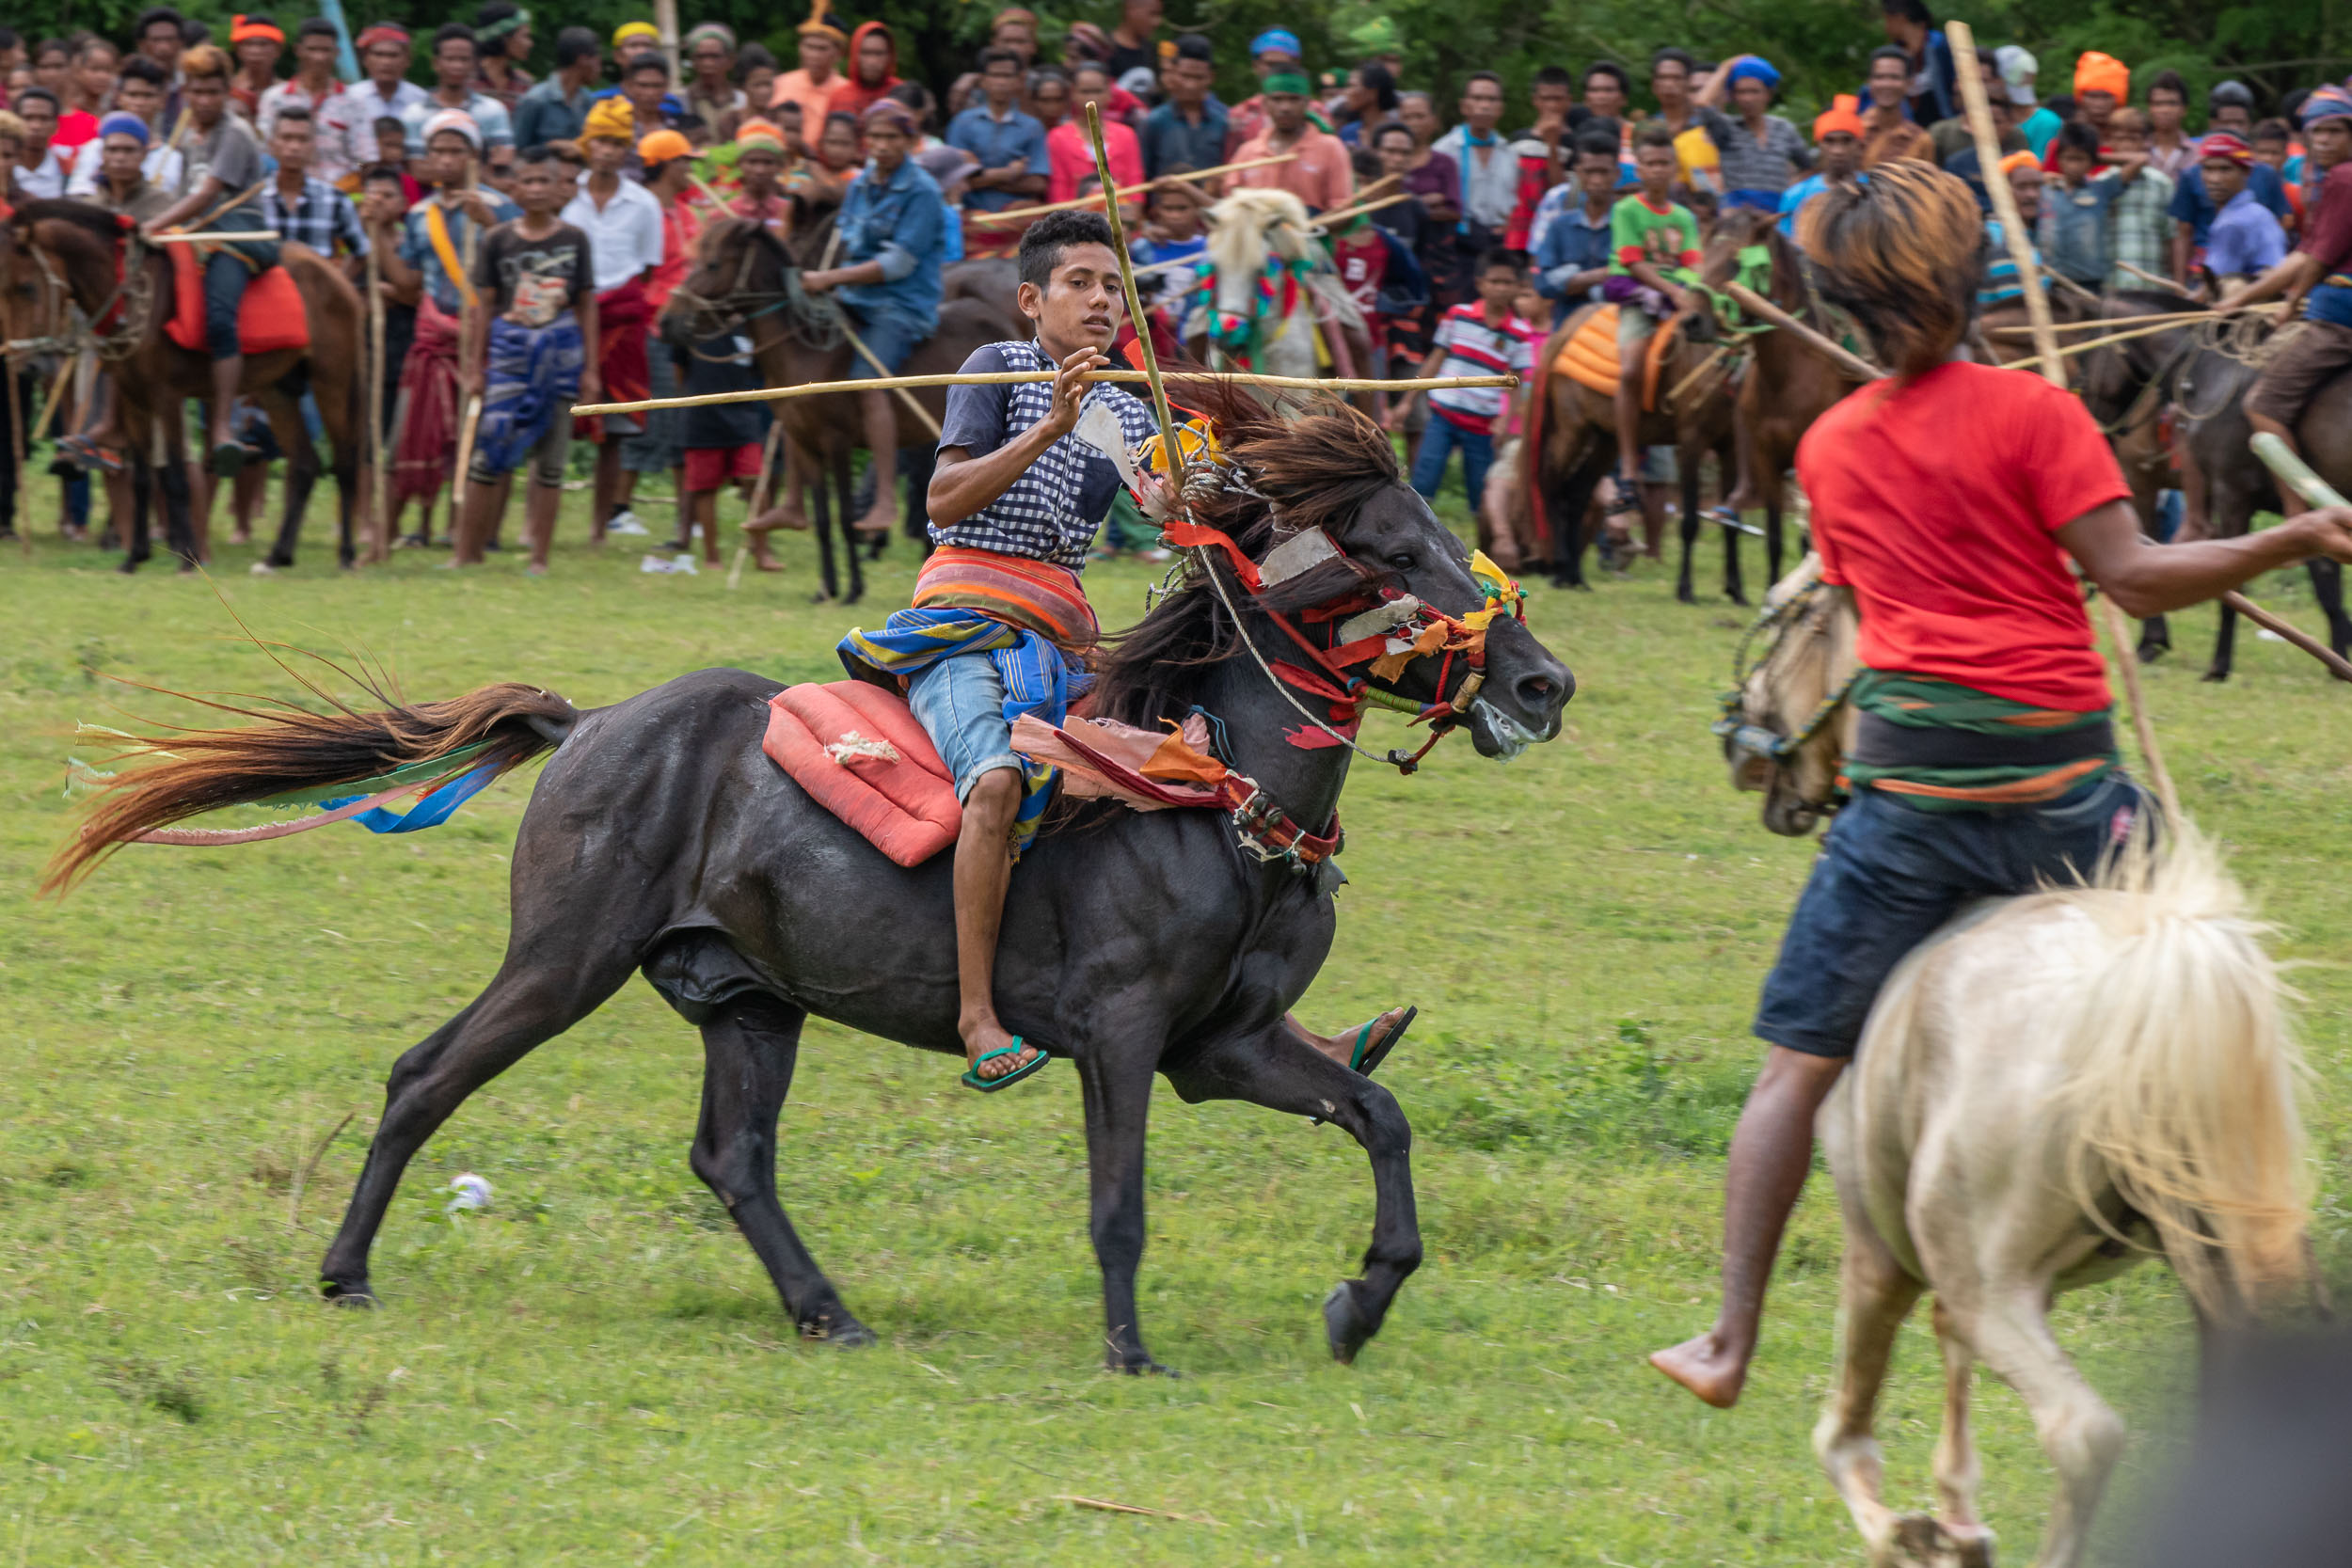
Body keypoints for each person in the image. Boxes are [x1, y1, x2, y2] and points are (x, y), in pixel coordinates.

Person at [1648, 160, 2352, 1411]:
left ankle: (1728, 1337)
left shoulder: (1830, 446)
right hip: (2068, 793)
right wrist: (2292, 537)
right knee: (2205, 979)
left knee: (1793, 1067)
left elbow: (1880, 601)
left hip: (1910, 808)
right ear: (1975, 278)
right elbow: (2134, 576)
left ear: (1841, 302)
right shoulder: (2041, 418)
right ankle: (2265, 1289)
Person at [890, 209, 1412, 1089]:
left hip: (1067, 639)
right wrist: (1050, 427)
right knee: (995, 785)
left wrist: (1183, 488)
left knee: (1196, 783)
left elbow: (1168, 509)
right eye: (1080, 284)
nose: (1101, 303)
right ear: (1032, 298)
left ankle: (1269, 1026)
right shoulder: (996, 367)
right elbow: (942, 501)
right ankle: (978, 1017)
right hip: (963, 622)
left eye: (1113, 288)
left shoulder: (1122, 405)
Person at [800, 99, 947, 538]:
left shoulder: (923, 191)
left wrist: (830, 276)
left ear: (908, 141)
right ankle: (791, 501)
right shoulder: (862, 181)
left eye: (891, 138)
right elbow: (845, 235)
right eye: (876, 138)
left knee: (869, 382)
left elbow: (899, 263)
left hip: (900, 303)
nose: (881, 146)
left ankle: (885, 497)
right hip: (853, 295)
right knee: (799, 364)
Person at [138, 44, 279, 480]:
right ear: (185, 93)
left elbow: (206, 194)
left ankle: (223, 425)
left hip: (237, 235)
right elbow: (184, 195)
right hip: (198, 235)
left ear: (228, 91)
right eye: (197, 92)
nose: (205, 101)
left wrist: (155, 225)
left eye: (214, 91)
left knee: (220, 318)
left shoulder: (235, 132)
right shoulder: (189, 136)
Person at [452, 143, 596, 571]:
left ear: (558, 189)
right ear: (514, 189)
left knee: (550, 461)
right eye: (527, 181)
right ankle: (466, 553)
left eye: (543, 182)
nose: (535, 189)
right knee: (486, 456)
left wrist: (590, 369)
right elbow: (485, 305)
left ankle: (539, 557)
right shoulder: (499, 239)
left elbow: (587, 304)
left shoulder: (575, 239)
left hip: (559, 356)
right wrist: (476, 366)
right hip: (509, 356)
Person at [383, 111, 519, 546]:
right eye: (437, 151)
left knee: (484, 435)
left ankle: (476, 532)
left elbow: (523, 269)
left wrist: (492, 228)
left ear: (473, 156)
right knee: (420, 433)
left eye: (455, 151)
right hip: (433, 335)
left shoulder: (498, 206)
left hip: (489, 336)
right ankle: (410, 529)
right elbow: (409, 283)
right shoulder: (419, 214)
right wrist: (376, 234)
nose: (445, 160)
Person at [2226, 87, 2352, 519]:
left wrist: (2288, 304)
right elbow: (2306, 253)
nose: (2323, 141)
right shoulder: (2335, 180)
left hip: (2339, 319)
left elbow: (2315, 258)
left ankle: (2298, 516)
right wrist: (2243, 298)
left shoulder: (2343, 179)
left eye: (2335, 131)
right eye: (2316, 133)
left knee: (2261, 405)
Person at [564, 96, 663, 542]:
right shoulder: (566, 197)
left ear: (626, 151)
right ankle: (535, 523)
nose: (606, 150)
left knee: (616, 429)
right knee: (553, 419)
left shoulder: (643, 204)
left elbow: (646, 270)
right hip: (567, 318)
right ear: (587, 145)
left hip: (621, 325)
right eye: (599, 141)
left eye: (615, 143)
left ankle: (599, 526)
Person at [1607, 122, 1700, 519]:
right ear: (1639, 169)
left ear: (1674, 167)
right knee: (1630, 369)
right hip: (1638, 296)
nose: (1658, 170)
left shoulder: (1684, 216)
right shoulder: (1627, 209)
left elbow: (1695, 265)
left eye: (1665, 163)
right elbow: (1633, 261)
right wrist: (1673, 290)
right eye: (1651, 163)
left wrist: (1688, 293)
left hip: (1679, 299)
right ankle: (1629, 468)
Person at [1411, 249, 1534, 506]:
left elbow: (1515, 383)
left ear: (1518, 287)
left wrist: (1505, 420)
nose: (1501, 288)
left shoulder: (1520, 333)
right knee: (1424, 478)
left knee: (1481, 490)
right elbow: (1436, 358)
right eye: (1495, 281)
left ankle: (1487, 539)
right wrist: (1408, 400)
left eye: (1508, 283)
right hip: (1443, 413)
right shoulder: (1458, 315)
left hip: (1482, 422)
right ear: (1480, 284)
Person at [260, 105, 369, 279]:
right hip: (268, 297)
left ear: (313, 146)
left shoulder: (335, 200)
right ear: (272, 145)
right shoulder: (254, 199)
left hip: (316, 298)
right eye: (286, 138)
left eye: (302, 139)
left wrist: (337, 287)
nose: (294, 147)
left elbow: (361, 252)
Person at [1227, 65, 1351, 215]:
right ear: (1265, 104)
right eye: (1277, 99)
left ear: (1307, 103)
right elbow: (1230, 209)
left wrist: (1304, 226)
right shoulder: (1247, 152)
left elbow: (1343, 210)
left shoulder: (1331, 147)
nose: (1285, 107)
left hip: (1312, 237)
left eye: (1294, 99)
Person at [1696, 55, 1809, 213]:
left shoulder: (1784, 129)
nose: (1747, 99)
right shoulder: (1727, 129)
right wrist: (1726, 67)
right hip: (1737, 217)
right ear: (1733, 97)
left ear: (1768, 94)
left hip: (1775, 215)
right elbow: (1702, 102)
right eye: (1741, 92)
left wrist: (1791, 192)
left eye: (1754, 91)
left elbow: (1808, 167)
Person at [1532, 131, 1622, 325]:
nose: (1597, 180)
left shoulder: (1629, 224)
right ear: (1579, 173)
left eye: (1603, 172)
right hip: (1567, 329)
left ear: (1616, 174)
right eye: (1590, 172)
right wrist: (1601, 275)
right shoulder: (1560, 226)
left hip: (1614, 331)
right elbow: (1543, 285)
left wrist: (1571, 279)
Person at [323, 24, 429, 188]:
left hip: (411, 186)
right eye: (378, 54)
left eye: (393, 55)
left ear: (407, 60)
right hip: (358, 183)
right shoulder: (348, 99)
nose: (386, 62)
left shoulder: (422, 101)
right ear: (365, 59)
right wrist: (365, 163)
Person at [403, 24, 516, 162]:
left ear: (474, 64)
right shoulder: (415, 113)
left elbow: (503, 160)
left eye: (464, 59)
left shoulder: (492, 110)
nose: (457, 66)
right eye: (450, 59)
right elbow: (415, 167)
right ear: (436, 63)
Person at [1045, 62, 1144, 207]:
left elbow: (1135, 188)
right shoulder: (1057, 137)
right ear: (1072, 94)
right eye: (1085, 92)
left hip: (1122, 221)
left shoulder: (1126, 135)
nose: (1092, 98)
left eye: (1098, 91)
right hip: (1073, 222)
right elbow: (1058, 193)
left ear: (1109, 94)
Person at [1432, 71, 1517, 240]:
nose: (1484, 106)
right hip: (1459, 239)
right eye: (1477, 98)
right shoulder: (1444, 151)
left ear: (1501, 108)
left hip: (1500, 241)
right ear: (1464, 106)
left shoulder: (1509, 153)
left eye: (1492, 100)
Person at [2197, 132, 2288, 286]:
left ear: (2246, 172)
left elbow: (2216, 284)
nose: (2215, 179)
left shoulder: (2232, 223)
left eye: (2225, 169)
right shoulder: (2260, 213)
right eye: (2208, 169)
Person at [2101, 108, 2174, 292]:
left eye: (2132, 139)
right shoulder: (2100, 183)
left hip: (2152, 285)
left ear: (2146, 142)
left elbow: (2171, 238)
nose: (2126, 145)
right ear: (2109, 141)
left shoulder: (2162, 184)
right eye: (2119, 138)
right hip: (2112, 286)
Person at [2040, 120, 2120, 289]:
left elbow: (2141, 160)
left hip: (2090, 282)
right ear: (2059, 158)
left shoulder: (2101, 189)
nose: (2074, 166)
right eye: (2069, 158)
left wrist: (2098, 156)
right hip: (2051, 281)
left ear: (2092, 162)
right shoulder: (2045, 190)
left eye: (2081, 159)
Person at [1778, 97, 1867, 238]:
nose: (1838, 150)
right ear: (1819, 145)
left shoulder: (1874, 190)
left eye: (1846, 141)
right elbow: (1786, 247)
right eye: (1829, 141)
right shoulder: (1796, 196)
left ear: (1859, 146)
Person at [1143, 34, 1224, 182]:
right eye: (1185, 76)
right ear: (1172, 74)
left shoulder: (1223, 121)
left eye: (1198, 77)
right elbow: (1144, 175)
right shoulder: (1154, 121)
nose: (1191, 85)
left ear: (1211, 78)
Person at [513, 26, 601, 150]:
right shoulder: (535, 100)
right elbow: (517, 150)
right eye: (597, 61)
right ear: (583, 60)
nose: (599, 69)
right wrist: (552, 147)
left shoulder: (588, 101)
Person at [1223, 26, 1301, 159]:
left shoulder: (1316, 112)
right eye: (1270, 64)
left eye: (1283, 64)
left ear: (1296, 64)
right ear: (1255, 66)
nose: (1277, 71)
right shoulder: (1240, 115)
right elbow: (1230, 169)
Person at [1878, 0, 1956, 125]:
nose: (1885, 26)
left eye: (1887, 20)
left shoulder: (1939, 44)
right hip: (1907, 124)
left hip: (1942, 122)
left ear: (1899, 18)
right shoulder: (1894, 52)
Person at [773, 8, 848, 132]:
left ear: (838, 54)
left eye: (822, 48)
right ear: (800, 48)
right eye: (810, 47)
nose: (814, 55)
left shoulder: (845, 91)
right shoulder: (780, 83)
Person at [1860, 46, 1932, 168]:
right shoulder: (1853, 132)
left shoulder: (1921, 140)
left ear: (1910, 83)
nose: (1886, 84)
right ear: (1869, 82)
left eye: (1895, 77)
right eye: (1879, 77)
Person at [728, 118, 794, 237]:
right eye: (752, 162)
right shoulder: (724, 213)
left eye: (768, 162)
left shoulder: (790, 212)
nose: (760, 170)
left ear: (780, 166)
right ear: (739, 164)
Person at [827, 21, 900, 121]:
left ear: (890, 56)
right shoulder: (839, 97)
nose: (872, 61)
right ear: (854, 54)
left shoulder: (901, 95)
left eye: (879, 53)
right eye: (865, 53)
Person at [471, 1, 533, 109]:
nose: (530, 44)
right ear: (504, 37)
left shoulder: (524, 84)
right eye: (525, 36)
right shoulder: (468, 82)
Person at [683, 23, 744, 131]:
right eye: (701, 57)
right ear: (693, 61)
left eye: (715, 56)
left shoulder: (742, 100)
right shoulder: (683, 100)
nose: (707, 63)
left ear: (730, 61)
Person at [9, 89, 70, 199]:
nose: (36, 126)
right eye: (28, 118)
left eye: (44, 118)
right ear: (14, 121)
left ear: (56, 125)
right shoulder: (4, 167)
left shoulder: (68, 169)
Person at [228, 13, 285, 121]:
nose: (256, 51)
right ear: (238, 50)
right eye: (249, 44)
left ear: (278, 50)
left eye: (263, 44)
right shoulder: (226, 90)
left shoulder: (286, 93)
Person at [2142, 69, 2198, 180]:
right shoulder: (2138, 149)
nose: (2165, 110)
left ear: (2184, 109)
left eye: (2172, 103)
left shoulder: (2197, 154)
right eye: (2158, 104)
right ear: (2150, 109)